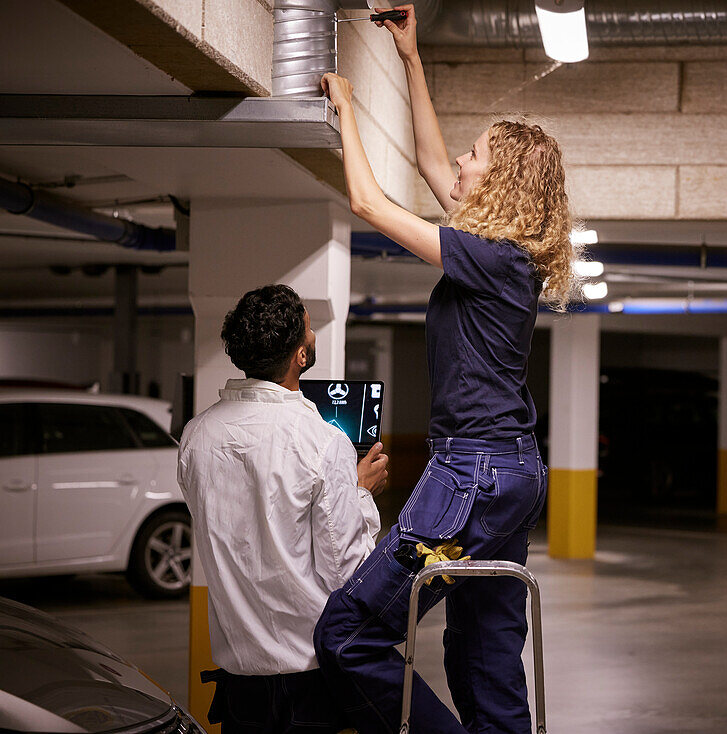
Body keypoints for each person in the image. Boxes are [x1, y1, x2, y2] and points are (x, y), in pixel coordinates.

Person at [312, 5, 579, 733]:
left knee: (349, 634)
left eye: (474, 155)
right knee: (482, 660)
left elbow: (368, 200)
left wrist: (348, 111)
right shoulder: (500, 256)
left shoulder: (491, 259)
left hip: (473, 476)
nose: (459, 162)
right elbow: (431, 164)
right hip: (508, 475)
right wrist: (411, 59)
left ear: (499, 185)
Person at [178, 283, 390, 734]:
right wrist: (360, 492)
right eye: (310, 331)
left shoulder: (196, 436)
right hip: (308, 676)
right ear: (299, 356)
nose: (313, 338)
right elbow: (345, 573)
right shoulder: (321, 440)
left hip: (237, 679)